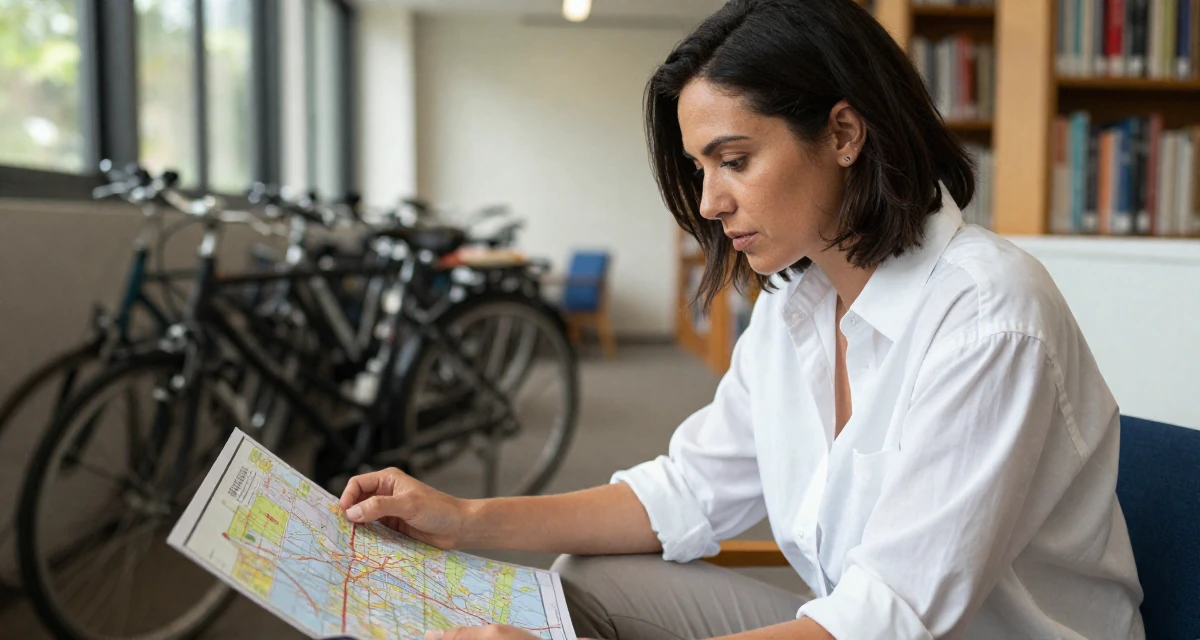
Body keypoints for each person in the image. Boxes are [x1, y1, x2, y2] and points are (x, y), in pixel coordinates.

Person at [340, 0, 1146, 638]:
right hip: (861, 624)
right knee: (586, 578)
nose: (708, 202)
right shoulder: (799, 299)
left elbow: (891, 618)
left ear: (842, 133)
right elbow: (688, 490)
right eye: (700, 168)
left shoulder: (987, 315)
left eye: (734, 160)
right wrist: (464, 519)